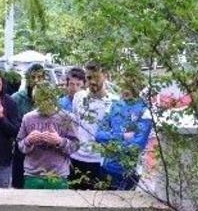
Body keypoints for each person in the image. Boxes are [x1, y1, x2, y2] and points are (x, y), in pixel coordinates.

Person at [94, 67, 152, 191]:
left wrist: (111, 139)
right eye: (124, 84)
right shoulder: (114, 106)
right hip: (106, 168)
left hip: (129, 172)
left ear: (139, 86)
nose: (126, 89)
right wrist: (122, 136)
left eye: (130, 85)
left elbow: (136, 145)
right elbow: (99, 136)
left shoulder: (144, 111)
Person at [16, 80, 79, 189]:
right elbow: (20, 144)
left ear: (54, 99)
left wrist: (59, 141)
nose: (45, 102)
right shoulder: (28, 118)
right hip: (32, 175)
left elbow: (75, 145)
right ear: (35, 100)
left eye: (48, 98)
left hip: (58, 176)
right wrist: (29, 140)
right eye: (41, 99)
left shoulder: (67, 118)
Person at [69, 62, 114, 190]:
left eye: (96, 77)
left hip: (98, 160)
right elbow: (75, 123)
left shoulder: (113, 102)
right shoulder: (78, 97)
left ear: (105, 76)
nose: (92, 81)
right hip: (76, 158)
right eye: (89, 78)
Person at [10, 64, 43, 188]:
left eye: (39, 77)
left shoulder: (50, 100)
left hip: (42, 153)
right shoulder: (16, 99)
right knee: (19, 188)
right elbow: (13, 126)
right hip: (21, 149)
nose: (36, 81)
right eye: (32, 77)